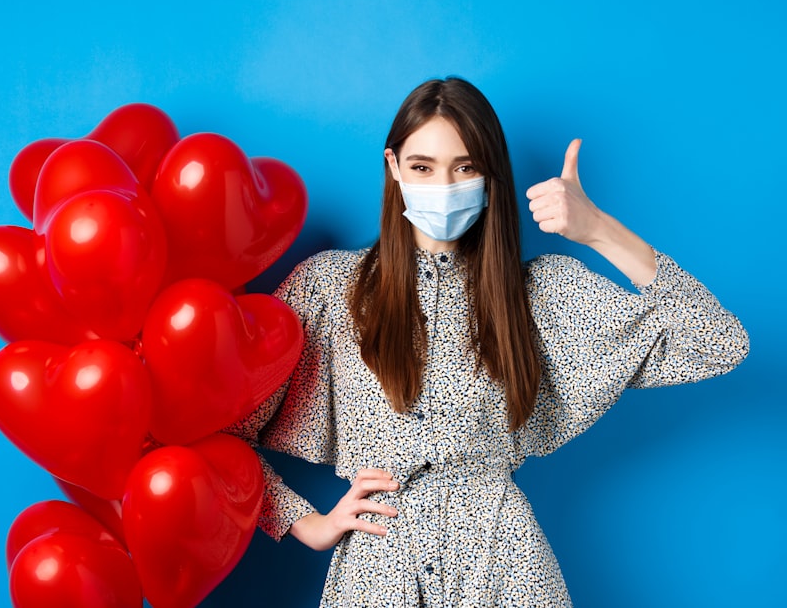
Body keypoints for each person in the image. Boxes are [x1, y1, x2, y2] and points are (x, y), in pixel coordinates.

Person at [227, 77, 749, 607]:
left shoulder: (540, 296)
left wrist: (597, 230)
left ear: (489, 174)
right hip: (378, 574)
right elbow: (225, 433)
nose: (442, 184)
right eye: (422, 166)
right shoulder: (331, 291)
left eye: (465, 167)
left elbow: (718, 341)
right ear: (393, 167)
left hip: (507, 568)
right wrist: (305, 522)